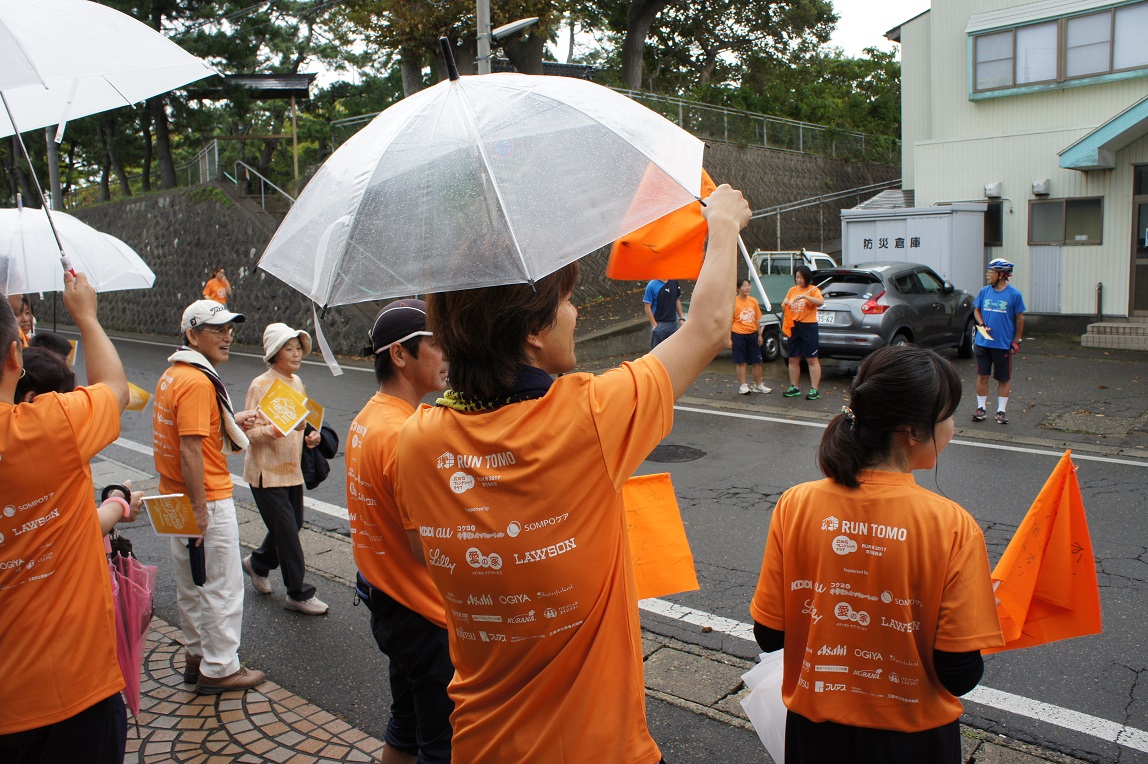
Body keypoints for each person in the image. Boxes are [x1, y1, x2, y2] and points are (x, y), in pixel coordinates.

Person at [394, 184, 751, 763]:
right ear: (532, 330)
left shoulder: (416, 437)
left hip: (480, 743)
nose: (575, 312)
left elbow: (423, 551)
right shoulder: (589, 415)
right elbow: (710, 327)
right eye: (565, 301)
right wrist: (726, 224)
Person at [750, 345, 1004, 764]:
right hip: (912, 742)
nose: (953, 427)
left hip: (813, 738)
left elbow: (770, 635)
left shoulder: (796, 504)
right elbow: (958, 675)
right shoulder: (952, 526)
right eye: (947, 417)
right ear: (913, 431)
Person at [0, 273, 131, 764]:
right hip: (72, 688)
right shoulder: (45, 427)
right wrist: (87, 317)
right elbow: (114, 389)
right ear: (16, 355)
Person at [347, 299, 453, 764]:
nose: (447, 355)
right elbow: (423, 547)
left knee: (407, 723)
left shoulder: (368, 419)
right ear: (399, 355)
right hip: (423, 614)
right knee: (442, 744)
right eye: (435, 345)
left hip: (387, 600)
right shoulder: (405, 434)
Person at [152, 299, 266, 695]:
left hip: (171, 496)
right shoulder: (199, 381)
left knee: (190, 583)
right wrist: (201, 508)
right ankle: (220, 669)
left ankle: (198, 654)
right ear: (192, 334)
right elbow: (189, 449)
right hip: (205, 499)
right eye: (217, 329)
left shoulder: (173, 375)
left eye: (229, 328)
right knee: (222, 584)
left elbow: (191, 438)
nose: (228, 337)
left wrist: (231, 424)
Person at [240, 323, 328, 615]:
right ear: (274, 353)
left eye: (298, 348)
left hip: (291, 469)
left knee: (292, 525)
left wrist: (311, 434)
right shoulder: (260, 385)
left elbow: (302, 420)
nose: (296, 354)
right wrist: (272, 433)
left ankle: (258, 563)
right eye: (289, 349)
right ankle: (298, 592)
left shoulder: (297, 383)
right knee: (288, 533)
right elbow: (248, 434)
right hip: (266, 472)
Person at [972, 258, 1025, 425]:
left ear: (1002, 275)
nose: (988, 275)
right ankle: (981, 408)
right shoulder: (984, 291)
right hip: (983, 343)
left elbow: (1020, 318)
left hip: (1002, 344)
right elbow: (976, 310)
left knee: (1003, 378)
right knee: (982, 376)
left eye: (991, 272)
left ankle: (1001, 411)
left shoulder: (1014, 295)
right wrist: (981, 323)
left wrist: (1017, 340)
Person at [781, 265, 824, 400]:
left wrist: (805, 298)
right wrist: (788, 303)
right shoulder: (791, 290)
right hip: (794, 326)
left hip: (809, 326)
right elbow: (783, 308)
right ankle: (794, 387)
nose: (799, 280)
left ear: (807, 278)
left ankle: (814, 389)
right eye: (797, 277)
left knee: (812, 358)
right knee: (793, 358)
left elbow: (820, 302)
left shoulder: (813, 290)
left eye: (801, 277)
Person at [731, 277, 771, 395]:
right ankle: (743, 386)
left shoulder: (753, 301)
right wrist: (729, 338)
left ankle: (758, 384)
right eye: (744, 286)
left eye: (748, 285)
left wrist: (760, 335)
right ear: (738, 288)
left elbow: (757, 319)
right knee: (741, 362)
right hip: (738, 334)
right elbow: (729, 321)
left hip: (752, 334)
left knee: (757, 361)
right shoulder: (733, 302)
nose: (747, 288)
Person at [643, 278, 684, 348]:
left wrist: (681, 318)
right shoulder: (651, 286)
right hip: (659, 324)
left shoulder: (674, 282)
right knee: (657, 351)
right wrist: (654, 324)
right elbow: (647, 306)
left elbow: (677, 300)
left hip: (673, 323)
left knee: (674, 349)